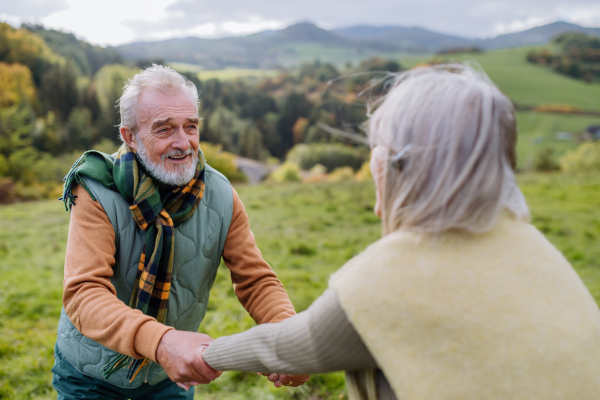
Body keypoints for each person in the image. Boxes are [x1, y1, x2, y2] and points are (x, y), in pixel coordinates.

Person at [200, 65, 600, 400]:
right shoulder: (537, 248)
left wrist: (205, 353)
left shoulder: (392, 278)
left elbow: (286, 347)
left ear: (394, 168)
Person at [52, 65, 308, 399]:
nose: (183, 142)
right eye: (164, 129)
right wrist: (162, 342)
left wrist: (286, 337)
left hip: (168, 377)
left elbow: (255, 279)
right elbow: (84, 293)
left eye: (191, 126)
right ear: (129, 136)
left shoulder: (220, 194)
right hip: (91, 375)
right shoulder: (97, 190)